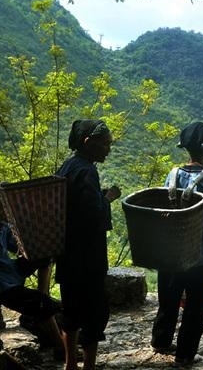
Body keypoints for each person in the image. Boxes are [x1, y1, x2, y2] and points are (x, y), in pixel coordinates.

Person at [150, 121, 203, 367]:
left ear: (186, 149)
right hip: (200, 255)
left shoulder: (172, 174)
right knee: (196, 307)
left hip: (171, 253)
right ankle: (185, 354)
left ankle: (161, 340)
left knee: (168, 298)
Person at [0, 183, 64, 358]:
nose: (8, 208)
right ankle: (61, 348)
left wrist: (30, 246)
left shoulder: (1, 223)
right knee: (41, 305)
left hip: (9, 271)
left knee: (46, 254)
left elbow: (16, 244)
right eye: (4, 204)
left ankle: (43, 292)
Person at [55, 119, 120, 370]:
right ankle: (88, 366)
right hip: (88, 256)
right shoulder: (87, 171)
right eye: (104, 144)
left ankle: (70, 363)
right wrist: (108, 198)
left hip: (67, 252)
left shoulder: (67, 166)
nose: (108, 149)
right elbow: (93, 215)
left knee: (70, 309)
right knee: (94, 312)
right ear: (87, 142)